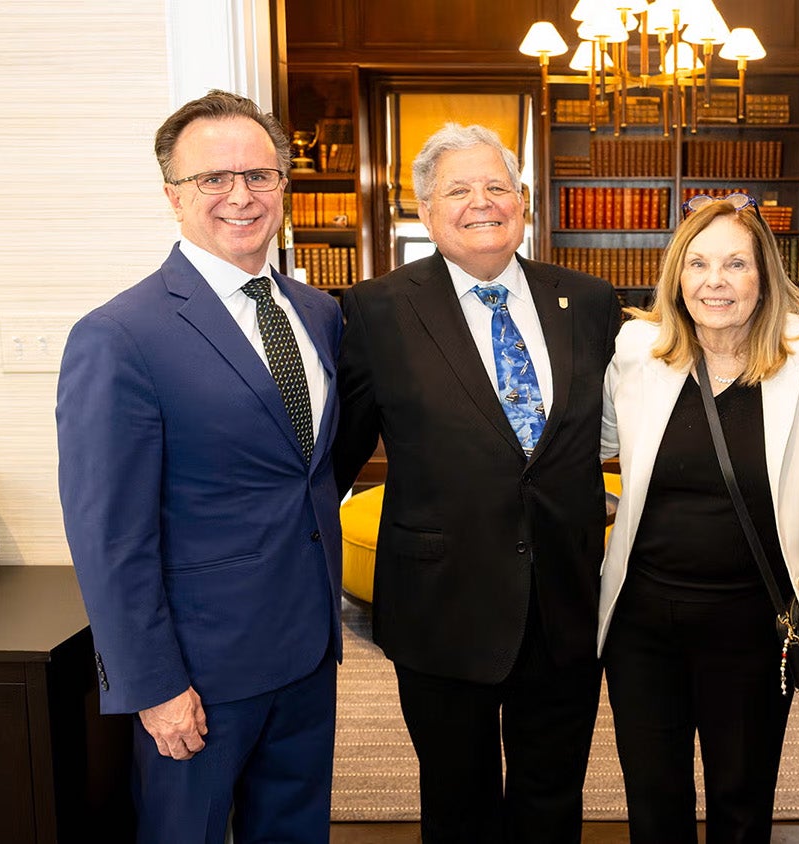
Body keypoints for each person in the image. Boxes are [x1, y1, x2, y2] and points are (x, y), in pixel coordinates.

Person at [57, 89, 343, 843]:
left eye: (260, 174)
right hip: (199, 670)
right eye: (213, 178)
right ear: (172, 195)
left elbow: (308, 471)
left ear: (283, 184)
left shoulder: (318, 313)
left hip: (307, 649)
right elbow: (108, 535)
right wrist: (153, 684)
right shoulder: (120, 335)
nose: (241, 196)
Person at [332, 123, 619, 844]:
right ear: (426, 211)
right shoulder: (375, 309)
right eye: (458, 190)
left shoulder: (588, 301)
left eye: (497, 186)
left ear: (522, 201)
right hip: (441, 606)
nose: (482, 202)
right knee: (458, 804)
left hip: (564, 603)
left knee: (553, 797)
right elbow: (339, 455)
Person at [599, 194, 799, 843]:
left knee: (742, 803)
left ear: (764, 275)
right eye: (699, 263)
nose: (716, 281)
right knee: (654, 801)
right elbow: (585, 447)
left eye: (736, 263)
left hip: (753, 625)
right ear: (677, 275)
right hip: (641, 627)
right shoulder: (637, 349)